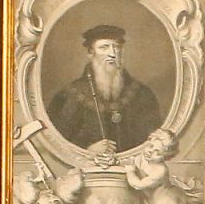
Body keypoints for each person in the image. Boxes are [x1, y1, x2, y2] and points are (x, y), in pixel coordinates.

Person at [47, 23, 163, 156]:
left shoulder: (142, 94)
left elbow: (154, 139)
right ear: (90, 53)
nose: (112, 54)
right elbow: (57, 141)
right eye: (104, 47)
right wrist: (87, 150)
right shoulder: (70, 94)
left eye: (116, 47)